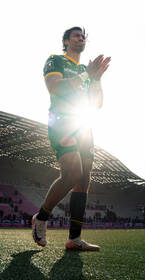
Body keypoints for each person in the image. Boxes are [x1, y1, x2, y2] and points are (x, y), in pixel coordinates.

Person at [32, 26, 111, 251]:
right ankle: (41, 217)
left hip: (83, 125)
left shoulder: (87, 70)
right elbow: (54, 87)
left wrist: (96, 80)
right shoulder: (55, 59)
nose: (81, 38)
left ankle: (74, 239)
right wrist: (87, 75)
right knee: (72, 173)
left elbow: (96, 104)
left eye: (83, 36)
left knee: (84, 180)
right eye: (76, 35)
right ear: (66, 41)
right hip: (62, 122)